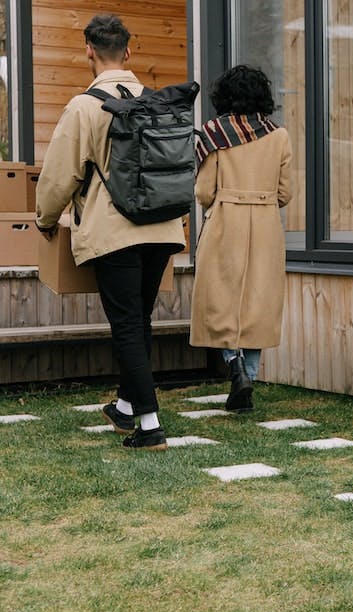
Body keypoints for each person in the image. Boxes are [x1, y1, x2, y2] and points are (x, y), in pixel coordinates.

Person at [36, 14, 184, 451]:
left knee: (125, 324)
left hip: (115, 232)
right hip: (162, 229)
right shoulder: (156, 100)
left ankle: (150, 425)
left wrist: (46, 220)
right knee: (139, 320)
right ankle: (124, 407)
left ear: (88, 51)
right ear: (129, 51)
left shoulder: (84, 106)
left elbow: (58, 176)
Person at [189, 65, 293, 413]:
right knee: (256, 301)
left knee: (220, 297)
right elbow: (285, 193)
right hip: (265, 224)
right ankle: (248, 375)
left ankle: (233, 366)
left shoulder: (214, 133)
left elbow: (204, 192)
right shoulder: (278, 135)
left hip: (225, 220)